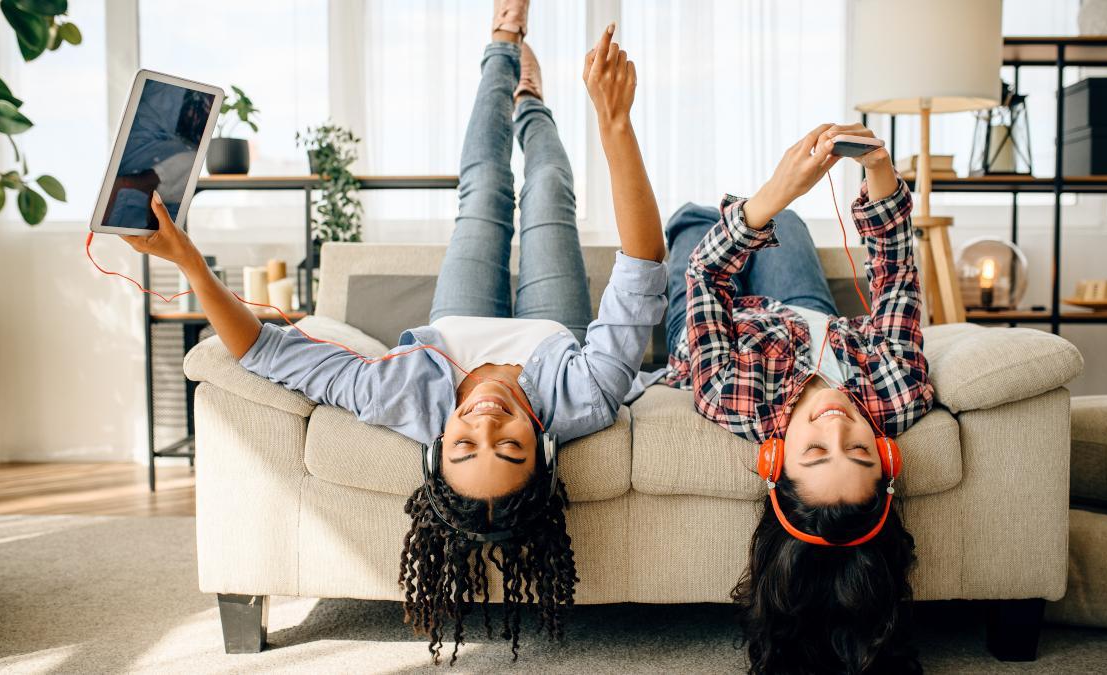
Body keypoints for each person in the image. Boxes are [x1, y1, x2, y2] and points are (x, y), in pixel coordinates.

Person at [118, 4, 663, 665]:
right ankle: (531, 103)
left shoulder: (400, 397)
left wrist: (189, 262)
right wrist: (616, 125)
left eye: (464, 443)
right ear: (544, 451)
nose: (484, 423)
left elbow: (265, 351)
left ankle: (500, 45)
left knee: (485, 189)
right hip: (552, 331)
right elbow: (640, 272)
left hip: (456, 320)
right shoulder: (585, 397)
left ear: (437, 447)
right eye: (508, 445)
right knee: (546, 187)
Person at [661, 123, 932, 673]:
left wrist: (774, 189)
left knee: (695, 221)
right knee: (786, 221)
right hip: (811, 319)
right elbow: (897, 276)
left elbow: (706, 275)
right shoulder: (899, 394)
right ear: (885, 456)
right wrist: (878, 170)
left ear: (775, 460)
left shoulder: (730, 398)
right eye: (858, 452)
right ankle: (763, 212)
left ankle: (745, 210)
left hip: (725, 323)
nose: (836, 427)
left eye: (815, 452)